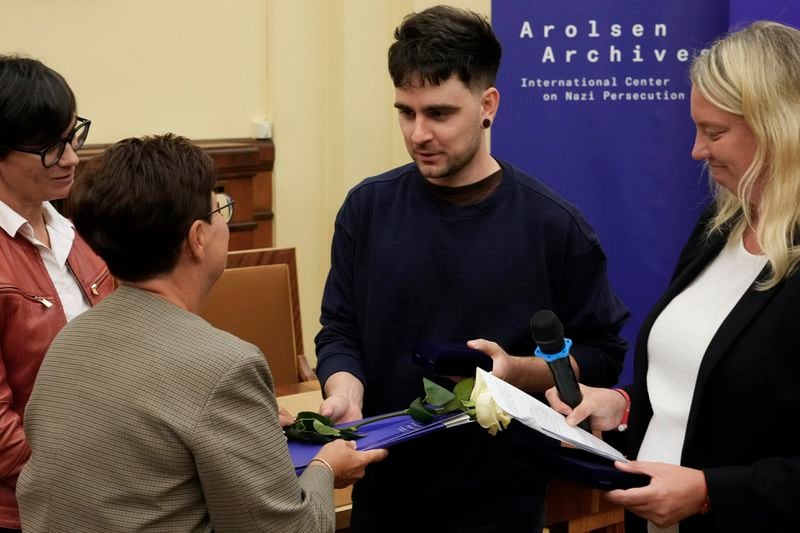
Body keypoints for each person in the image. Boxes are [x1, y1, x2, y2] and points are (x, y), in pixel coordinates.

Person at [315, 6, 629, 532]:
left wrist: (516, 371)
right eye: (406, 112)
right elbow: (340, 329)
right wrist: (344, 389)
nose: (418, 133)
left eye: (439, 113)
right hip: (384, 488)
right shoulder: (366, 209)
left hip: (503, 500)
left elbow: (601, 356)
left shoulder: (554, 226)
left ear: (488, 105)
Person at [16, 134, 387, 532]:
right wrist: (325, 468)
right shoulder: (225, 366)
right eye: (219, 210)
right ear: (197, 238)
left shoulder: (69, 341)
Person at [546, 20, 800, 533]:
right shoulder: (719, 226)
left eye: (715, 132)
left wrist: (710, 493)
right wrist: (619, 404)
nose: (697, 150)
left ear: (780, 126)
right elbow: (699, 384)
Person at [0, 55, 113, 532]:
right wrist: (71, 483)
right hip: (28, 510)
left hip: (102, 490)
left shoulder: (77, 230)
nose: (71, 158)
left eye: (72, 137)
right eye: (49, 147)